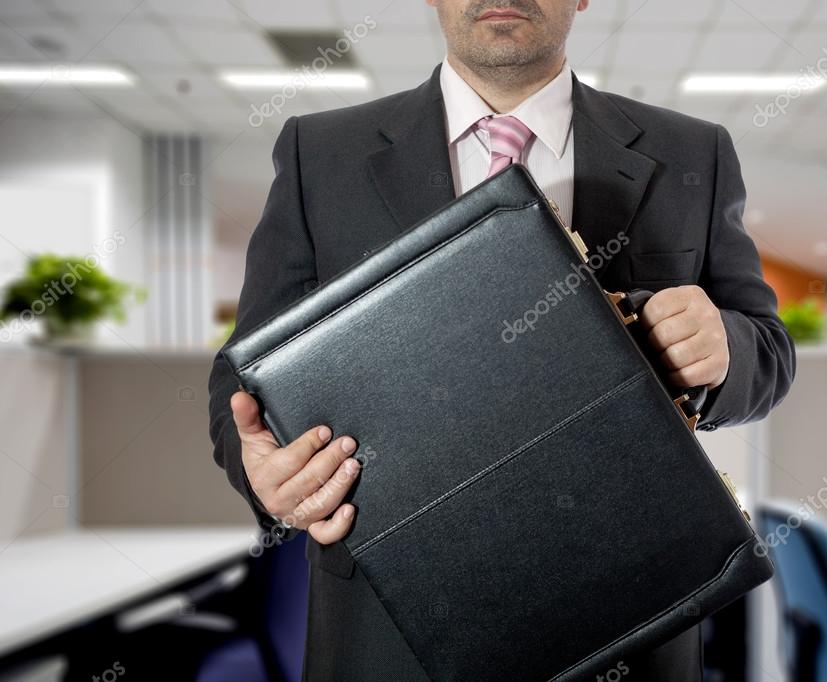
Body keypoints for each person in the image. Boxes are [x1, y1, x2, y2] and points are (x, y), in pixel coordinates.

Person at [208, 1, 796, 679]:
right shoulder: (321, 151)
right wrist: (260, 470)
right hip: (386, 626)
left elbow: (767, 351)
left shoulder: (692, 150)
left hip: (630, 604)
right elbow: (242, 373)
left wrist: (723, 346)